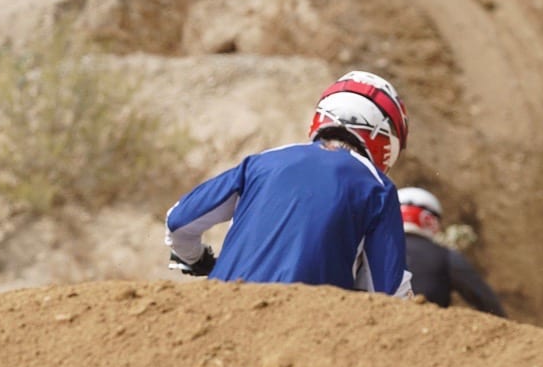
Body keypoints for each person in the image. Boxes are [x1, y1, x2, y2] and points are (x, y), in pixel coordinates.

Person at [165, 71, 410, 295]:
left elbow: (179, 222)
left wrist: (198, 260)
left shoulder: (262, 163)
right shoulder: (377, 187)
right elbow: (386, 290)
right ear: (385, 136)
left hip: (219, 311)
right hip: (301, 328)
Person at [398, 187, 506, 315]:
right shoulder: (445, 256)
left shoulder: (370, 252)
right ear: (431, 221)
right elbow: (486, 301)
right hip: (428, 330)